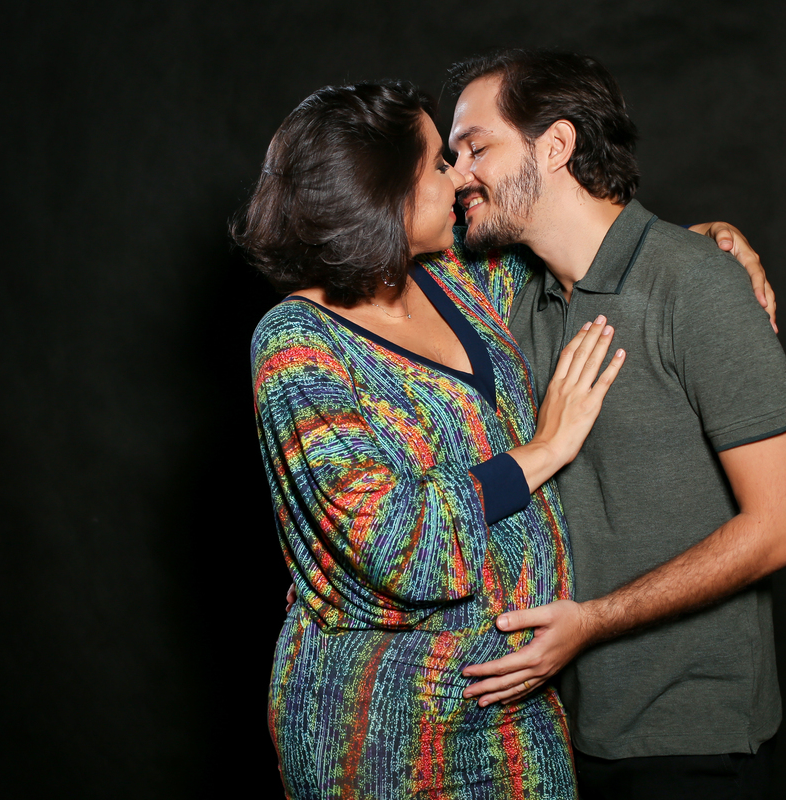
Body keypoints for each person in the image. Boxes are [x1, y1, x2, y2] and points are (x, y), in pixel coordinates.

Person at [237, 80, 627, 799]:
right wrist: (543, 449)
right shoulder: (296, 343)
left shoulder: (458, 279)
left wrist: (702, 250)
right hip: (378, 721)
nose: (460, 177)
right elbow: (394, 539)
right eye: (437, 167)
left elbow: (590, 256)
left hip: (513, 698)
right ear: (381, 193)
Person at [443, 50, 786, 799]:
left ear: (555, 147)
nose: (456, 174)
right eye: (451, 157)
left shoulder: (697, 284)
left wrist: (594, 622)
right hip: (565, 737)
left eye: (476, 148)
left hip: (691, 742)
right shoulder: (517, 297)